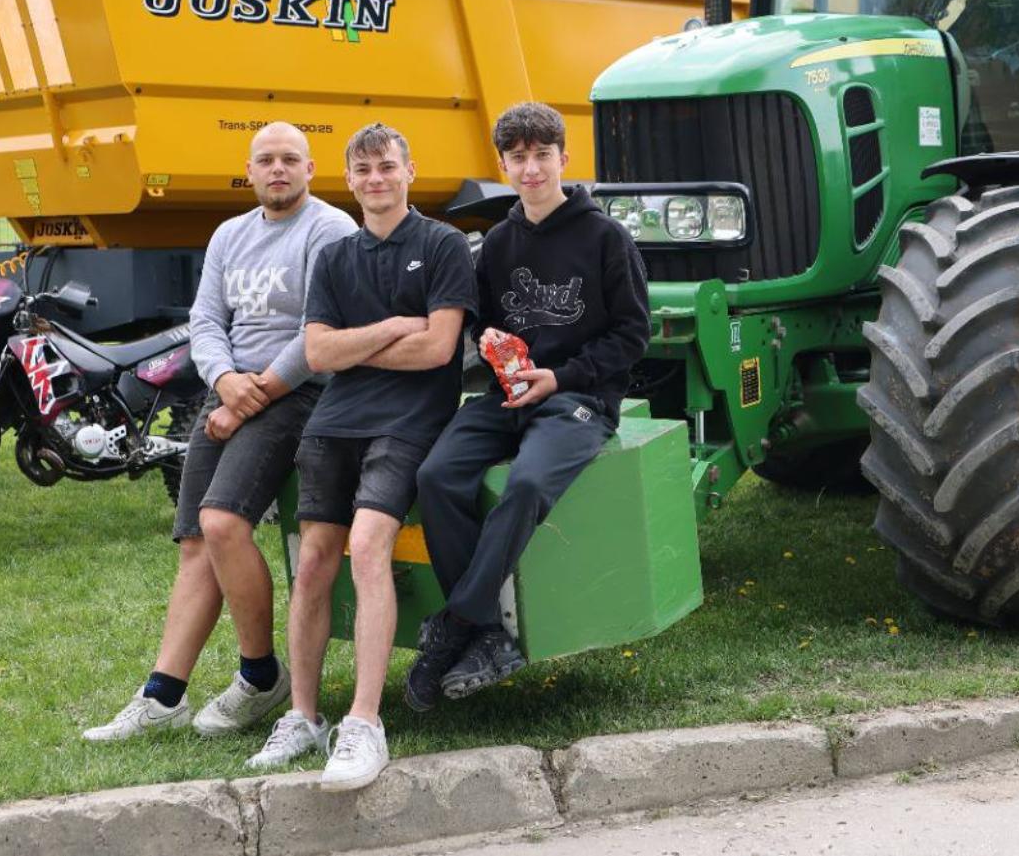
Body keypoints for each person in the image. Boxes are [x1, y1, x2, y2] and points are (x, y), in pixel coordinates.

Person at [82, 122, 354, 744]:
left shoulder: (329, 229)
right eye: (266, 160)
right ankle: (163, 696)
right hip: (230, 389)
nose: (278, 169)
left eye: (290, 159)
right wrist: (226, 381)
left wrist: (255, 393)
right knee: (196, 543)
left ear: (310, 169)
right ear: (249, 171)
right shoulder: (230, 234)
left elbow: (318, 333)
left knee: (224, 523)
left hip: (298, 392)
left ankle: (261, 676)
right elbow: (205, 319)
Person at [247, 122, 476, 791]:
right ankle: (303, 715)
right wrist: (393, 328)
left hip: (408, 423)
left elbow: (438, 349)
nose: (376, 179)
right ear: (347, 180)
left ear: (410, 171)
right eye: (364, 170)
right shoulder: (336, 255)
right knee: (314, 559)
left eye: (387, 167)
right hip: (335, 421)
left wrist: (357, 345)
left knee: (369, 545)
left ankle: (364, 723)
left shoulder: (442, 245)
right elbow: (318, 353)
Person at [405, 101, 650, 711]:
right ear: (503, 165)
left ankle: (457, 624)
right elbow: (485, 322)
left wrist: (560, 376)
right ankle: (489, 633)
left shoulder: (606, 238)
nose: (532, 168)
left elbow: (632, 334)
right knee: (436, 476)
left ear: (564, 158)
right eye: (519, 157)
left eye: (543, 155)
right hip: (507, 395)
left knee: (527, 485)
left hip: (580, 398)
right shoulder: (496, 244)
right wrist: (492, 344)